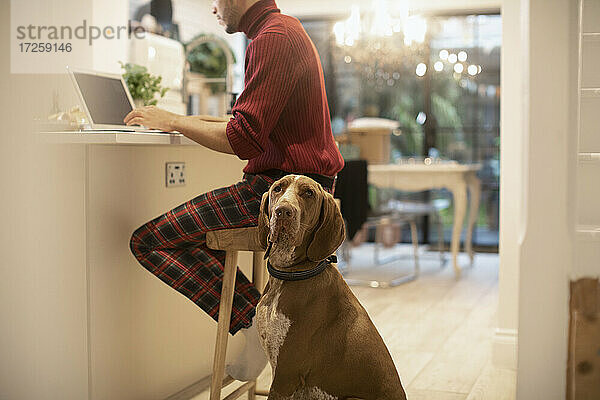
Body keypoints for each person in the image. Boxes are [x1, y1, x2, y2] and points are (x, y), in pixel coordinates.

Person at [125, 0, 344, 381]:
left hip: (281, 191)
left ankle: (253, 323)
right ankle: (257, 322)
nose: (212, 8)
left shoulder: (272, 37)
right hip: (305, 187)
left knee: (148, 241)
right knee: (160, 237)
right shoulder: (280, 32)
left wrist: (175, 121)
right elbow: (243, 121)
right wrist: (179, 119)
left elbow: (242, 138)